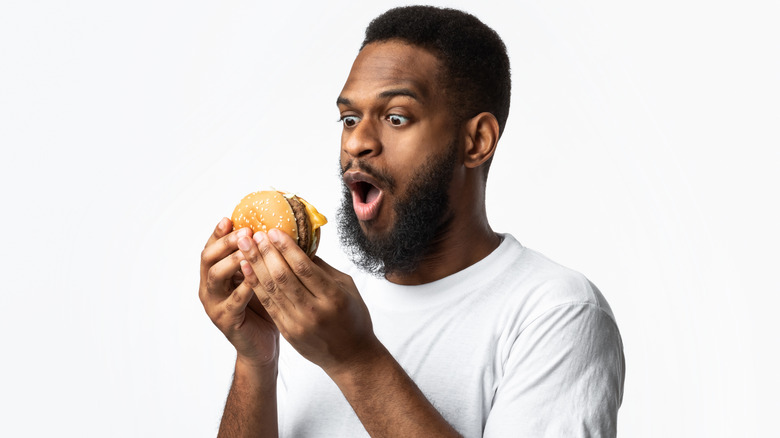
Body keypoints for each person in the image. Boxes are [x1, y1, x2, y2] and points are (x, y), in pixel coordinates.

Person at [199, 5, 625, 437]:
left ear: (477, 141)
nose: (358, 142)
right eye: (349, 119)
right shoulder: (314, 307)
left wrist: (355, 359)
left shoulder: (556, 312)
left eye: (396, 117)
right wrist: (257, 358)